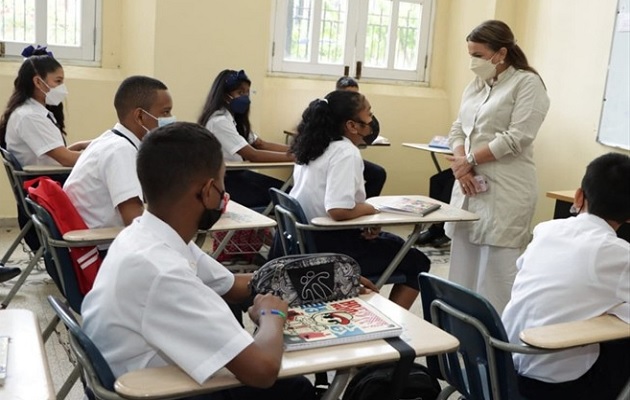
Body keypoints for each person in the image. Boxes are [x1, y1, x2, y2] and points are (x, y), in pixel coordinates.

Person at [81, 122, 316, 400]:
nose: (224, 194)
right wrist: (271, 315)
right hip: (158, 392)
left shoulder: (146, 234)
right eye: (222, 183)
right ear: (207, 191)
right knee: (295, 387)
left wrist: (325, 276)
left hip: (145, 379)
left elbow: (236, 286)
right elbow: (262, 370)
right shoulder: (162, 272)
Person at [502, 153, 630, 400]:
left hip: (503, 363)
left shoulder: (546, 230)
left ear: (579, 195)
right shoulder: (618, 254)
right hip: (552, 386)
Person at [444, 20, 550, 314]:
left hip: (506, 192)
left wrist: (470, 160)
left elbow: (518, 137)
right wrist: (462, 165)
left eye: (478, 55)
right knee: (462, 272)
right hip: (469, 188)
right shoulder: (477, 85)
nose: (473, 62)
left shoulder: (527, 83)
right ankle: (462, 339)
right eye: (470, 54)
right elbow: (457, 128)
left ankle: (498, 348)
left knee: (497, 277)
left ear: (501, 53)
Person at [289, 90, 430, 310]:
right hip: (332, 250)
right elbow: (338, 210)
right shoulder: (345, 152)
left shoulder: (312, 146)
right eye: (369, 114)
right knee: (417, 261)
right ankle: (390, 323)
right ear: (352, 125)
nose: (372, 121)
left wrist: (363, 221)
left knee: (393, 244)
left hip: (307, 241)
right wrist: (369, 210)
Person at [0, 45, 90, 278]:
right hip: (43, 186)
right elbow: (64, 158)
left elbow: (55, 154)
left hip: (40, 180)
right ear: (39, 82)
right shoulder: (30, 116)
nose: (62, 88)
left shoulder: (29, 111)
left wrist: (84, 148)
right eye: (58, 81)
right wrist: (99, 155)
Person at [64, 76, 174, 233]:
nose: (170, 119)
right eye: (165, 112)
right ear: (140, 116)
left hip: (93, 240)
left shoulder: (112, 140)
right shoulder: (121, 152)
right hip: (102, 246)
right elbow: (134, 222)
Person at [198, 69, 293, 209]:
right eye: (240, 93)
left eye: (247, 93)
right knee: (287, 197)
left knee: (288, 193)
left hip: (240, 176)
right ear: (225, 96)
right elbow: (253, 154)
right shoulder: (219, 121)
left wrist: (299, 150)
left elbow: (260, 144)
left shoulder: (233, 119)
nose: (245, 97)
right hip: (227, 182)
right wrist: (296, 157)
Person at [335, 76, 387, 198]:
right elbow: (338, 211)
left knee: (378, 173)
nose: (353, 100)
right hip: (339, 158)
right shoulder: (347, 152)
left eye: (356, 95)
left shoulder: (359, 115)